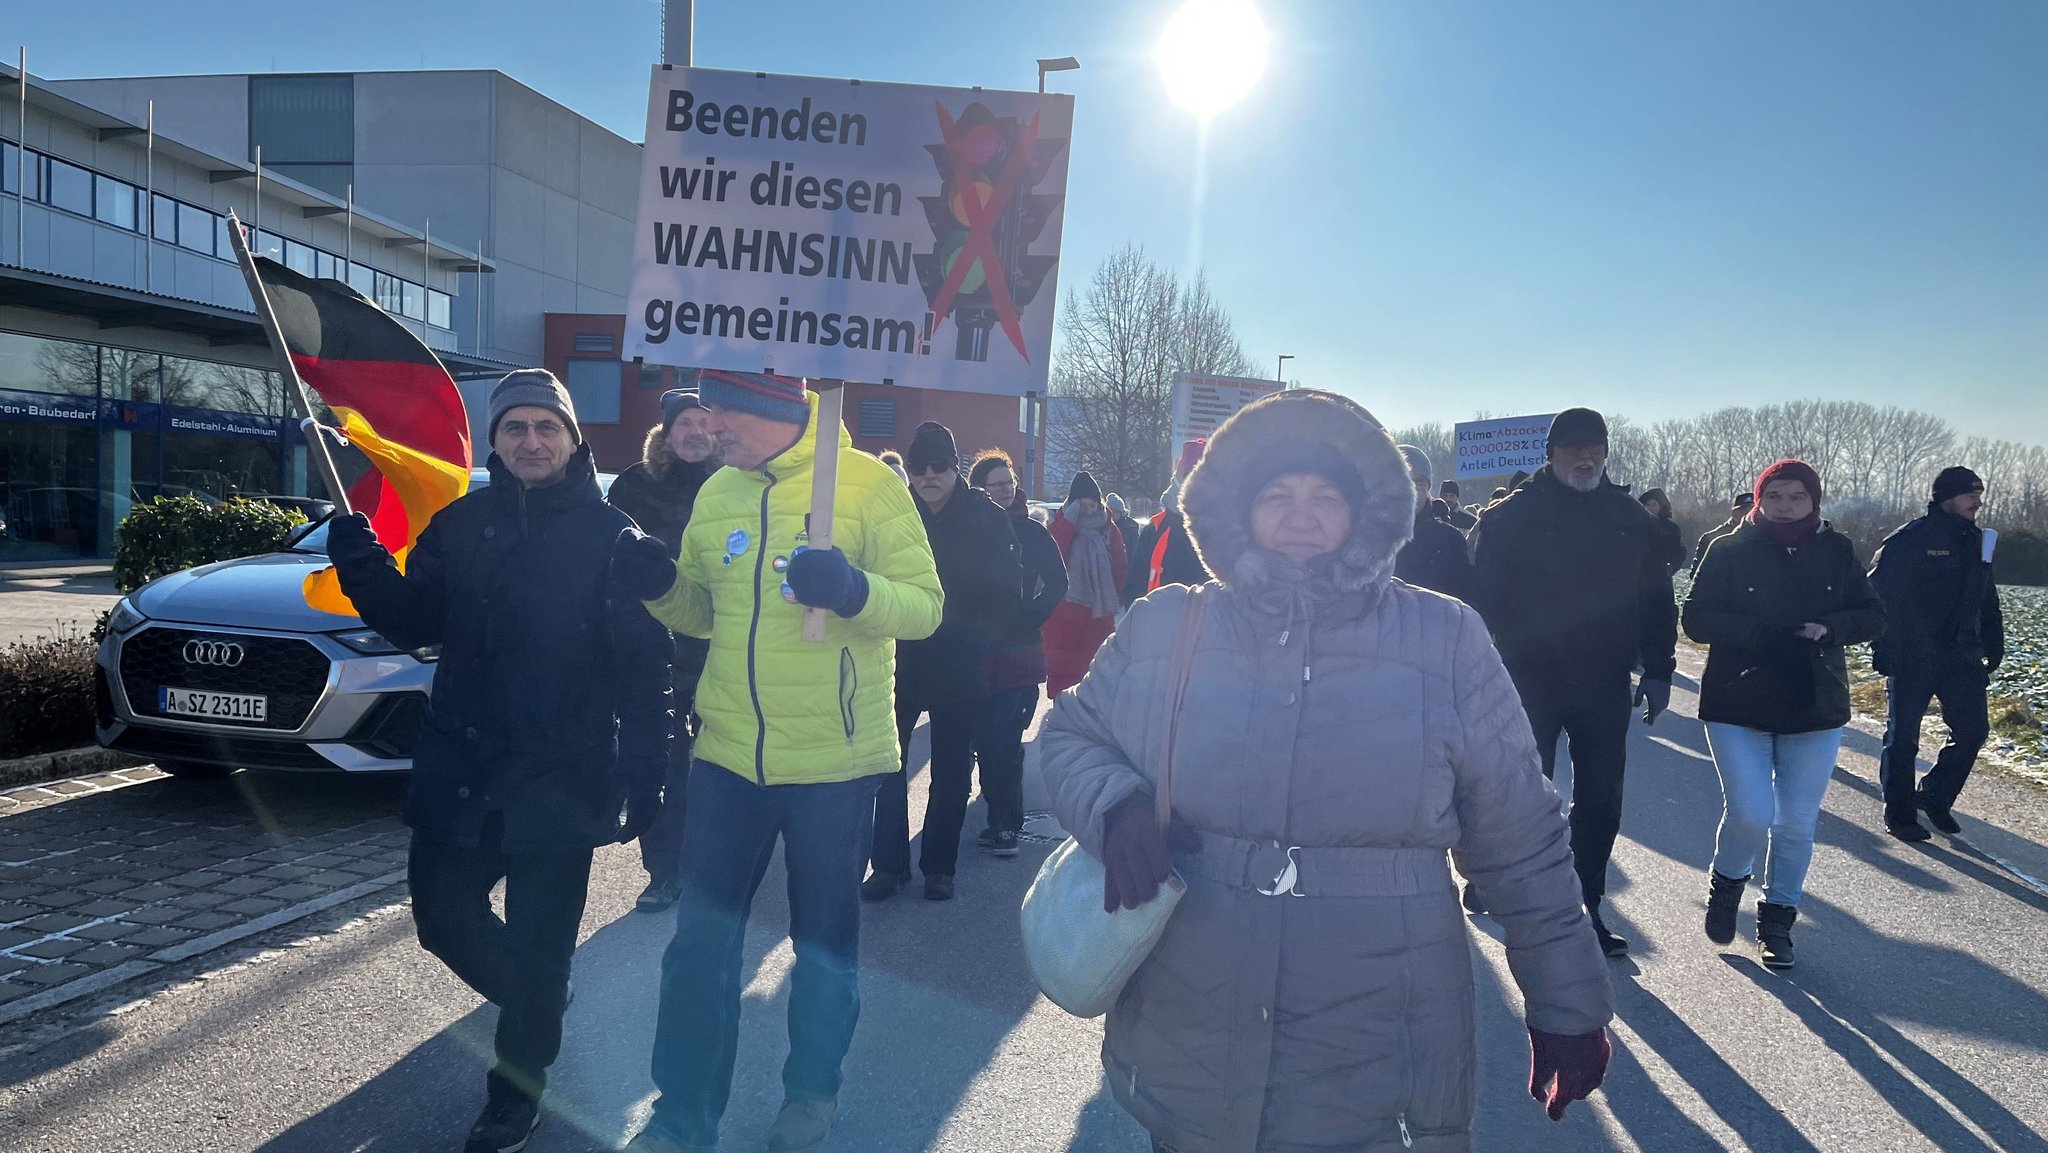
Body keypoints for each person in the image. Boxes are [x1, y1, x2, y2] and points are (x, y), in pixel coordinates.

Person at [1040, 389, 1614, 1153]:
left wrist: (1566, 1001)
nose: (1300, 515)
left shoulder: (1443, 640)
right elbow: (1070, 735)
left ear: (1368, 511)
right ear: (1235, 509)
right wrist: (1115, 807)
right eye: (1276, 494)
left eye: (1325, 496)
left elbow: (1521, 834)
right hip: (1197, 1018)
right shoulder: (1168, 625)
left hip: (1381, 1033)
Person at [325, 369, 673, 1153]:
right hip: (462, 763)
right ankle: (542, 1002)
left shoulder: (611, 533)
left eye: (546, 427)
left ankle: (514, 1094)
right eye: (515, 428)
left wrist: (649, 772)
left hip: (563, 769)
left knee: (542, 939)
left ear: (574, 438)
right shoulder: (461, 522)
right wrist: (360, 558)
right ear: (496, 441)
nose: (531, 442)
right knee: (442, 916)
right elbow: (415, 622)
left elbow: (643, 666)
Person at [610, 370, 942, 1153]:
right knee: (700, 945)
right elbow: (700, 610)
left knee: (823, 944)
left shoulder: (864, 486)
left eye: (718, 407)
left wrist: (856, 590)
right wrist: (661, 584)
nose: (705, 421)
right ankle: (683, 1113)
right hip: (727, 753)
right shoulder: (719, 492)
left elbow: (925, 606)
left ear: (769, 408)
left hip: (836, 759)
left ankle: (812, 1090)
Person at [1466, 407, 1678, 956]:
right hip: (1527, 679)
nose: (1586, 458)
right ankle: (1515, 894)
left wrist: (1659, 668)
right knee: (1524, 796)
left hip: (1603, 680)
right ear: (1551, 452)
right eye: (1573, 448)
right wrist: (1480, 671)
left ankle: (1586, 908)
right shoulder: (1511, 517)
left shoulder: (1628, 515)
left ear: (1606, 454)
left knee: (1602, 800)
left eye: (1596, 448)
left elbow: (1657, 599)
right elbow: (1481, 603)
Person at [1683, 460, 1886, 968]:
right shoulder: (1728, 549)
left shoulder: (1836, 550)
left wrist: (1831, 628)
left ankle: (1777, 920)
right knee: (1753, 812)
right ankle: (1728, 883)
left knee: (1796, 823)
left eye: (1796, 497)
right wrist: (1756, 633)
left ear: (1814, 501)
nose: (1784, 505)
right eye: (1774, 496)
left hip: (1813, 703)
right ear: (1759, 499)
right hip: (1738, 701)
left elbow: (1873, 614)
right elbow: (1697, 618)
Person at [864, 422, 1020, 902]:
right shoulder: (895, 512)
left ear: (956, 468)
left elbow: (1008, 590)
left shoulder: (986, 516)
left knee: (951, 768)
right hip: (899, 655)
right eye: (918, 467)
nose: (927, 475)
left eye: (939, 466)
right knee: (886, 764)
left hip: (959, 660)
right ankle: (888, 865)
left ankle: (939, 866)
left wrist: (980, 643)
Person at [607, 386, 720, 913]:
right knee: (663, 758)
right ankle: (663, 870)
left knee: (720, 758)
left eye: (703, 422)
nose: (695, 432)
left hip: (721, 641)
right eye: (684, 424)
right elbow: (609, 566)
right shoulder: (634, 486)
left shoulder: (735, 485)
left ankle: (716, 862)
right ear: (666, 434)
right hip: (651, 644)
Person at [1869, 466, 2005, 842]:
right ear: (1947, 496)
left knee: (1973, 731)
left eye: (1979, 494)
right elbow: (1878, 595)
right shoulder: (1910, 540)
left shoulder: (1978, 540)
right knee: (1903, 738)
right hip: (1912, 656)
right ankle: (1899, 813)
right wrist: (1885, 644)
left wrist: (1994, 643)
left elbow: (1986, 597)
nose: (1978, 502)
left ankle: (1934, 795)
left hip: (1962, 656)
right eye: (1970, 494)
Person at [967, 449, 1067, 857]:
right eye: (995, 486)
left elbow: (1058, 581)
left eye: (1008, 483)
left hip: (1017, 655)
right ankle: (998, 816)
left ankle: (1007, 824)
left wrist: (1031, 615)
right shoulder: (966, 529)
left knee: (1004, 741)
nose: (1005, 491)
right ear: (979, 490)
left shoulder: (1031, 531)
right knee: (981, 741)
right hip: (971, 653)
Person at [1045, 470, 1129, 696]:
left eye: (1093, 504)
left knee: (1096, 680)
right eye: (1083, 505)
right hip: (1064, 618)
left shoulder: (1109, 528)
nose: (1090, 510)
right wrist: (1069, 523)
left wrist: (1114, 598)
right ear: (1073, 505)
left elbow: (1120, 568)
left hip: (1098, 617)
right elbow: (1052, 557)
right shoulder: (1061, 526)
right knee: (1064, 682)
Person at [1124, 439, 1213, 603]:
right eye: (1189, 477)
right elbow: (1135, 585)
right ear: (1179, 478)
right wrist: (1140, 623)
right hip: (1157, 624)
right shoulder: (1157, 528)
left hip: (1209, 626)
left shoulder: (1225, 531)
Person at [1394, 444, 1471, 598]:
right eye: (1402, 479)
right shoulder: (1367, 539)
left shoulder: (1450, 540)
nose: (1410, 488)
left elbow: (1464, 602)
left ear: (1428, 488)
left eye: (1418, 482)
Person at [1692, 492, 1754, 572]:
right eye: (1744, 510)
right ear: (1734, 512)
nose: (1749, 514)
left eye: (1752, 510)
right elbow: (1696, 574)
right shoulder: (1710, 539)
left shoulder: (1765, 537)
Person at [1637, 487, 1688, 576]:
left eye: (1654, 504)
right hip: (1640, 577)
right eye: (1648, 505)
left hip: (1662, 578)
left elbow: (1680, 552)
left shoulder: (1671, 528)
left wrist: (1671, 567)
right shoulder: (1638, 527)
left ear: (1661, 506)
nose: (1651, 508)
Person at [1105, 492, 1145, 604]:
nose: (1112, 515)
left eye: (1115, 512)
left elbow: (1134, 552)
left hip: (1125, 570)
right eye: (1110, 511)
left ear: (1121, 512)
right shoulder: (1104, 526)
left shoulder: (1130, 528)